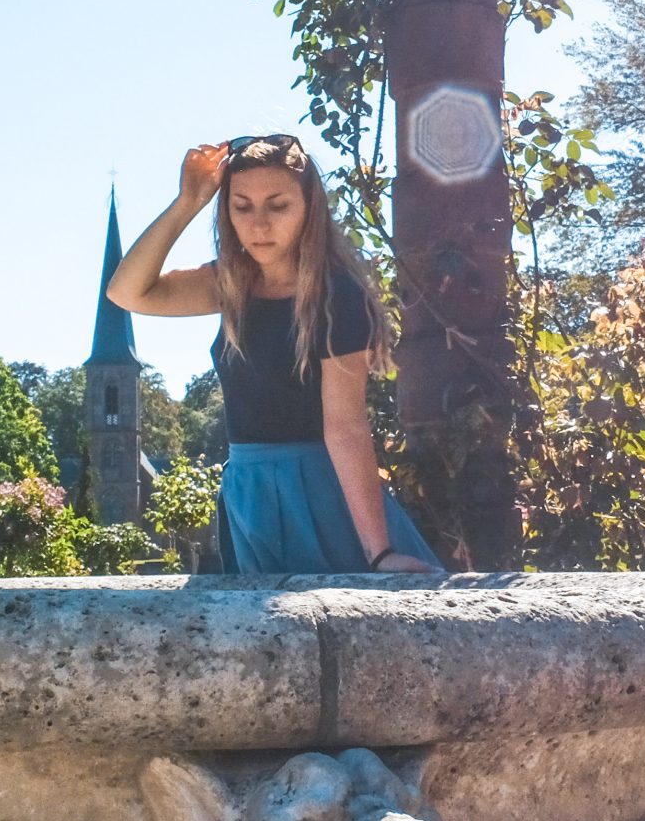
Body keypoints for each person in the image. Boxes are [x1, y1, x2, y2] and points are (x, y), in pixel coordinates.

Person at [107, 134, 442, 575]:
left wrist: (379, 554)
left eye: (278, 205)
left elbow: (345, 428)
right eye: (242, 206)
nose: (259, 224)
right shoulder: (230, 285)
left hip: (318, 494)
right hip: (248, 495)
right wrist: (188, 201)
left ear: (309, 209)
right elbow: (127, 292)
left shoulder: (337, 296)